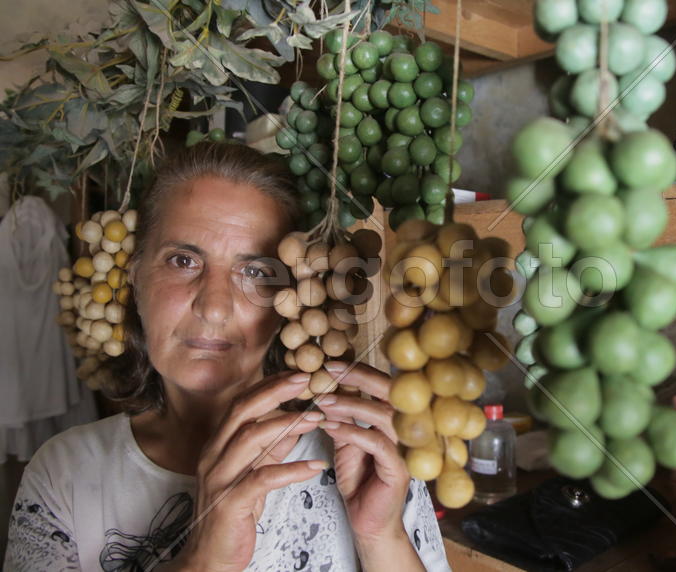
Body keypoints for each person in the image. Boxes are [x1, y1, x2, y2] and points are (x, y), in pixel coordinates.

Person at [4, 142, 450, 571]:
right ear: (135, 279)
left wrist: (380, 536)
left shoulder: (364, 457)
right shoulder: (66, 473)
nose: (214, 307)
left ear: (289, 298)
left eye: (254, 271)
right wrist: (204, 563)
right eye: (183, 261)